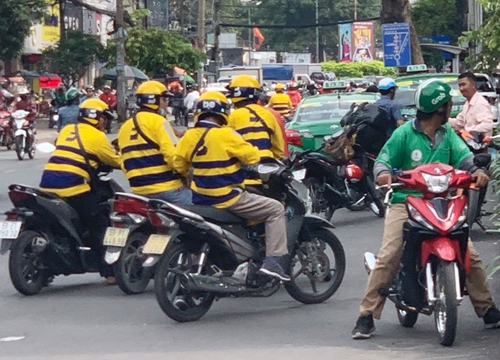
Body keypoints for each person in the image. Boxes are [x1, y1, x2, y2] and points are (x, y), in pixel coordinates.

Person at [351, 79, 500, 340]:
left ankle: (487, 310)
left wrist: (476, 170)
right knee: (390, 255)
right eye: (447, 105)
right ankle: (366, 315)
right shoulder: (403, 135)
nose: (451, 109)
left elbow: (465, 158)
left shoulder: (447, 135)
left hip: (442, 201)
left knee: (469, 253)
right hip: (405, 201)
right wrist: (385, 175)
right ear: (438, 109)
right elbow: (383, 161)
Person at [173, 91, 290, 281]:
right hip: (228, 198)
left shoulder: (189, 136)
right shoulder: (227, 134)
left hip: (200, 199)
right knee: (275, 209)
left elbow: (179, 165)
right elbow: (252, 157)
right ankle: (272, 262)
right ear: (223, 113)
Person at [39, 99, 121, 285]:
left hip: (46, 185)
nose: (105, 122)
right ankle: (109, 272)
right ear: (97, 118)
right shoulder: (98, 137)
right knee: (99, 224)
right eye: (104, 118)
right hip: (72, 187)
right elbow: (115, 160)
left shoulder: (68, 130)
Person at [118, 80, 192, 205]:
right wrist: (186, 172)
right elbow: (172, 157)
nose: (165, 104)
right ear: (154, 101)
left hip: (138, 191)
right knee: (204, 211)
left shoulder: (125, 127)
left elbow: (122, 161)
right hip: (167, 188)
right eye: (164, 100)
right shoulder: (158, 122)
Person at [226, 75, 285, 161]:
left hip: (245, 167)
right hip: (267, 166)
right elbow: (278, 147)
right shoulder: (267, 114)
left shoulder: (232, 117)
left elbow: (227, 145)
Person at [449, 71, 494, 136]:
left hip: (480, 144)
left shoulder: (480, 103)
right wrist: (443, 119)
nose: (461, 89)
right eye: (459, 86)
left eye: (464, 85)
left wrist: (466, 130)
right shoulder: (467, 104)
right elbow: (459, 122)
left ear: (473, 85)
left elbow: (487, 125)